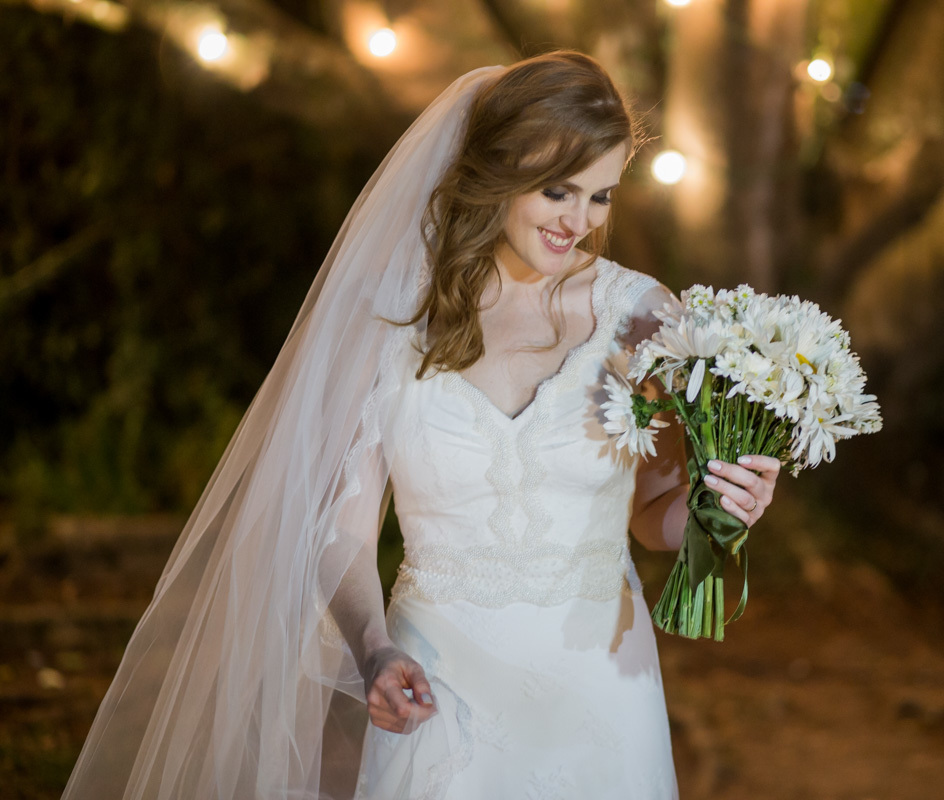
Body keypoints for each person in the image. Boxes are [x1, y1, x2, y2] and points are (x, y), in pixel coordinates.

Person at [61, 51, 779, 800]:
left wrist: (724, 505)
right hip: (436, 676)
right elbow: (341, 531)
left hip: (599, 681)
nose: (579, 222)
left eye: (600, 197)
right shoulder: (386, 315)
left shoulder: (642, 316)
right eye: (557, 190)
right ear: (495, 170)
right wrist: (373, 649)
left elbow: (654, 519)